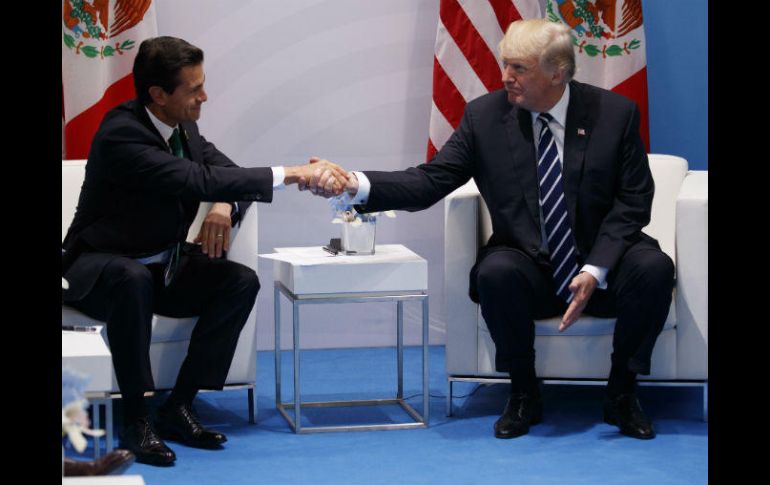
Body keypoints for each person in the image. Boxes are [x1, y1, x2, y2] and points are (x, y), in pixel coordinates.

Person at [303, 19, 674, 440]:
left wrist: (595, 268)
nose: (505, 77)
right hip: (530, 263)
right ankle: (523, 392)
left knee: (654, 268)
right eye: (505, 64)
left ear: (557, 73)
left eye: (519, 68)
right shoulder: (484, 117)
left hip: (602, 261)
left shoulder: (614, 113)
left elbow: (634, 199)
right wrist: (354, 184)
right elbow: (429, 181)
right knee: (496, 272)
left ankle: (623, 392)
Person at [61, 36, 348, 466]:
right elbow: (194, 179)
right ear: (158, 94)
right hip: (99, 270)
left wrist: (222, 205)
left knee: (239, 281)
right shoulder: (121, 134)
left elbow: (227, 175)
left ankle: (180, 404)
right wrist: (292, 174)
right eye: (194, 89)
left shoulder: (184, 129)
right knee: (130, 278)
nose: (205, 96)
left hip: (162, 267)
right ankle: (137, 420)